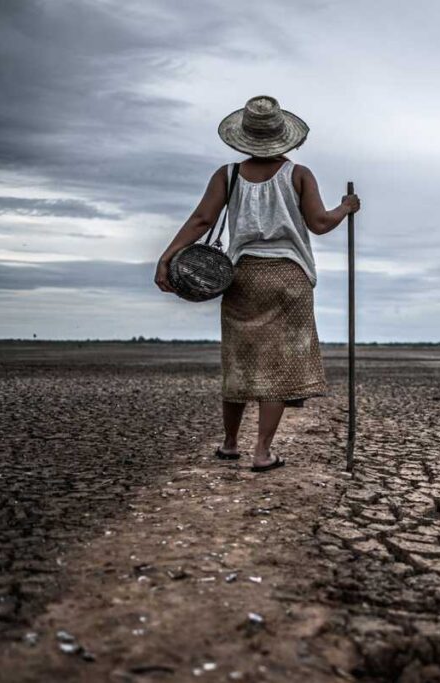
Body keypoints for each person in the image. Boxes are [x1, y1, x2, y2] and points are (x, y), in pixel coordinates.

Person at [154, 95, 359, 472]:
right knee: (278, 368)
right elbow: (319, 223)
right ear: (284, 137)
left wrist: (168, 256)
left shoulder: (227, 175)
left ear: (244, 137)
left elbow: (202, 220)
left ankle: (230, 444)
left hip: (242, 276)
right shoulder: (298, 174)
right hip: (289, 277)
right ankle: (262, 452)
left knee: (240, 361)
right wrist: (345, 209)